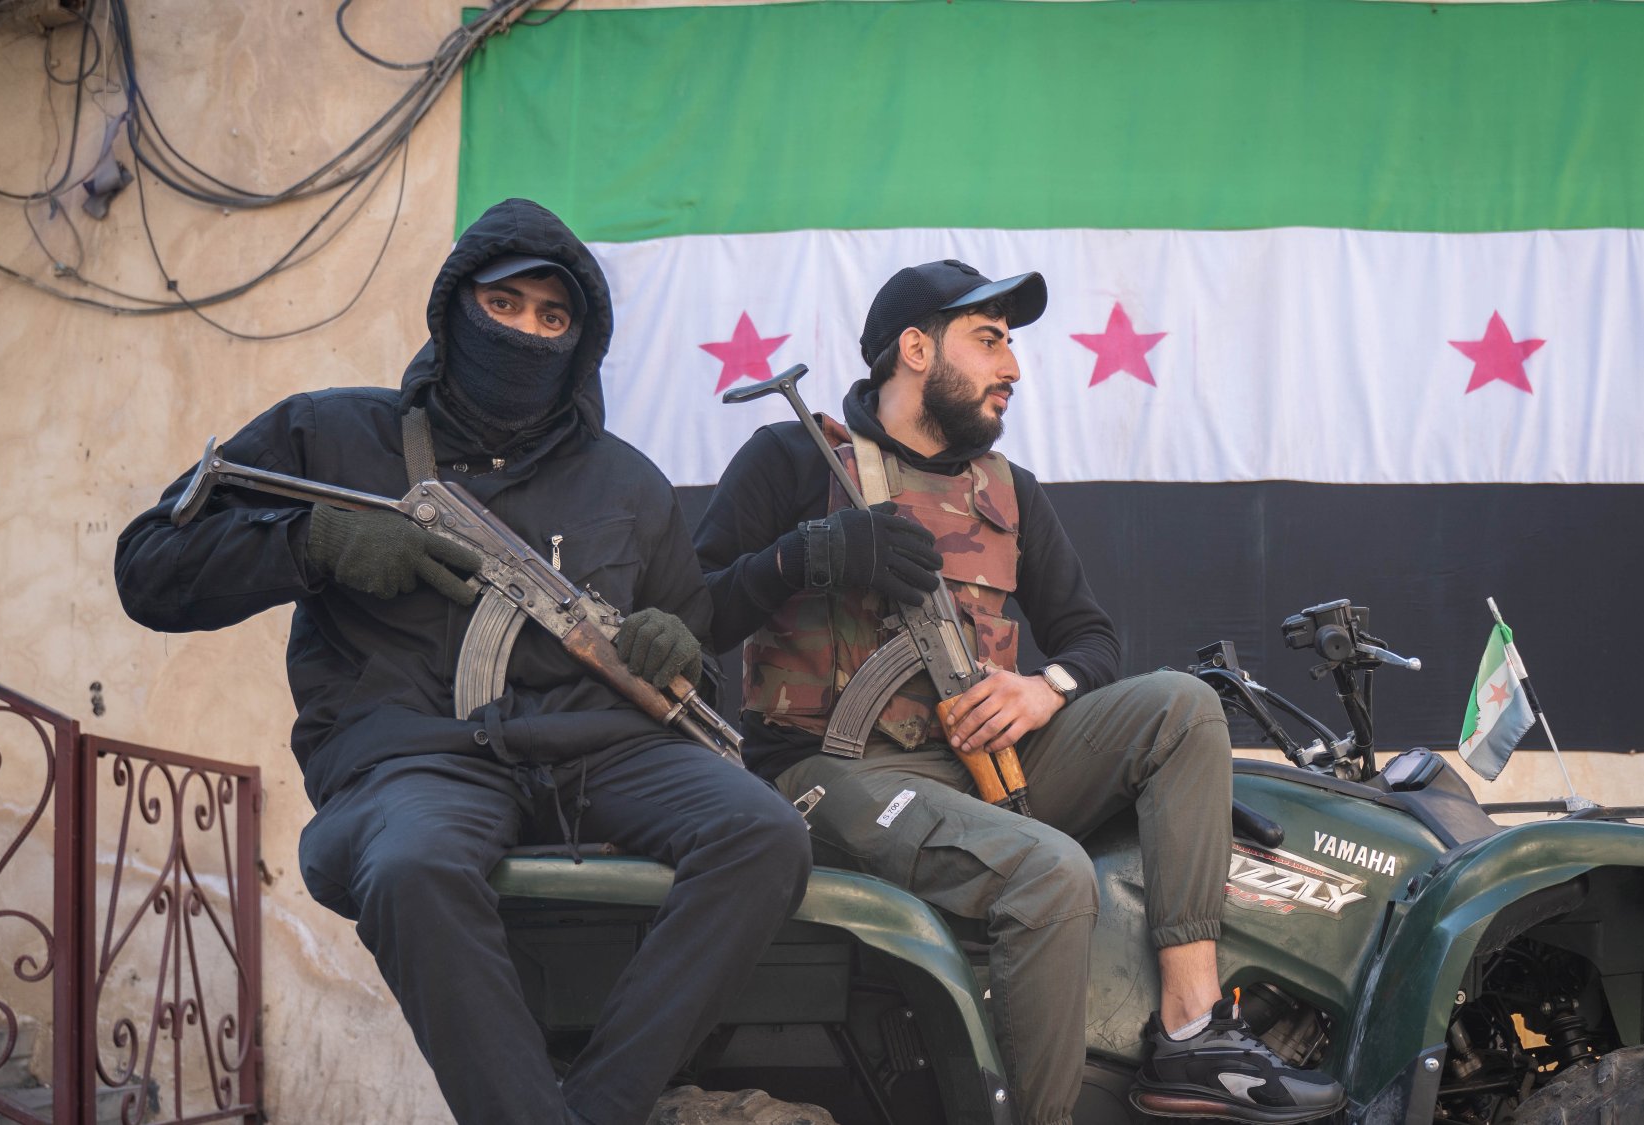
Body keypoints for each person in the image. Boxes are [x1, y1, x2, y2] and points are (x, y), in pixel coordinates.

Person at [115, 198, 812, 1125]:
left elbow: (691, 671)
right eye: (506, 305)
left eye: (553, 317)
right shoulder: (332, 437)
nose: (528, 331)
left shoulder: (630, 483)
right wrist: (314, 542)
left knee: (763, 832)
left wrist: (674, 648)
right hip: (415, 754)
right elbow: (149, 568)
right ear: (454, 310)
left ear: (582, 339)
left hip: (603, 751)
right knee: (412, 865)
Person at [693, 259, 1346, 1125]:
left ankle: (1192, 1032)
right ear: (916, 349)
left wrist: (1045, 689)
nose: (1014, 367)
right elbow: (689, 611)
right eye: (991, 339)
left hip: (980, 763)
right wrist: (807, 554)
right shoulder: (790, 457)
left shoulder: (1009, 493)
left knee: (1184, 705)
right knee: (1050, 873)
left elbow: (1092, 637)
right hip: (830, 773)